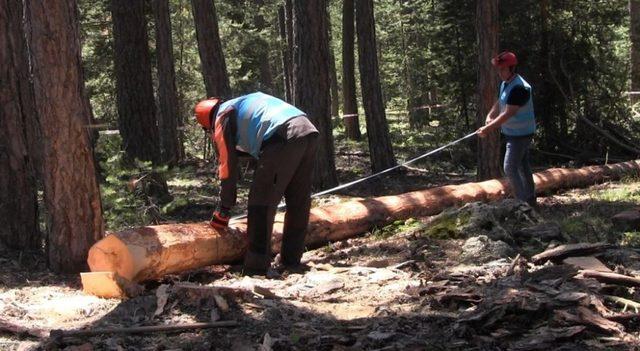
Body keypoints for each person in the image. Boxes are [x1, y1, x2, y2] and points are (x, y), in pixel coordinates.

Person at [194, 92, 319, 276]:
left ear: (207, 124)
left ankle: (256, 267)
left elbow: (227, 167)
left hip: (283, 134)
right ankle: (291, 261)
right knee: (298, 200)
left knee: (260, 202)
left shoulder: (222, 117)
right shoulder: (237, 105)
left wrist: (224, 209)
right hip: (306, 129)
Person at [477, 51, 536, 207]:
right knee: (523, 166)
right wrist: (490, 115)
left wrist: (488, 128)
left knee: (509, 167)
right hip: (513, 134)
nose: (499, 73)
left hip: (521, 134)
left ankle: (522, 204)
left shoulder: (520, 88)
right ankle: (529, 199)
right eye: (499, 69)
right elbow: (500, 102)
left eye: (502, 69)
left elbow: (508, 112)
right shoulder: (506, 83)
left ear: (512, 68)